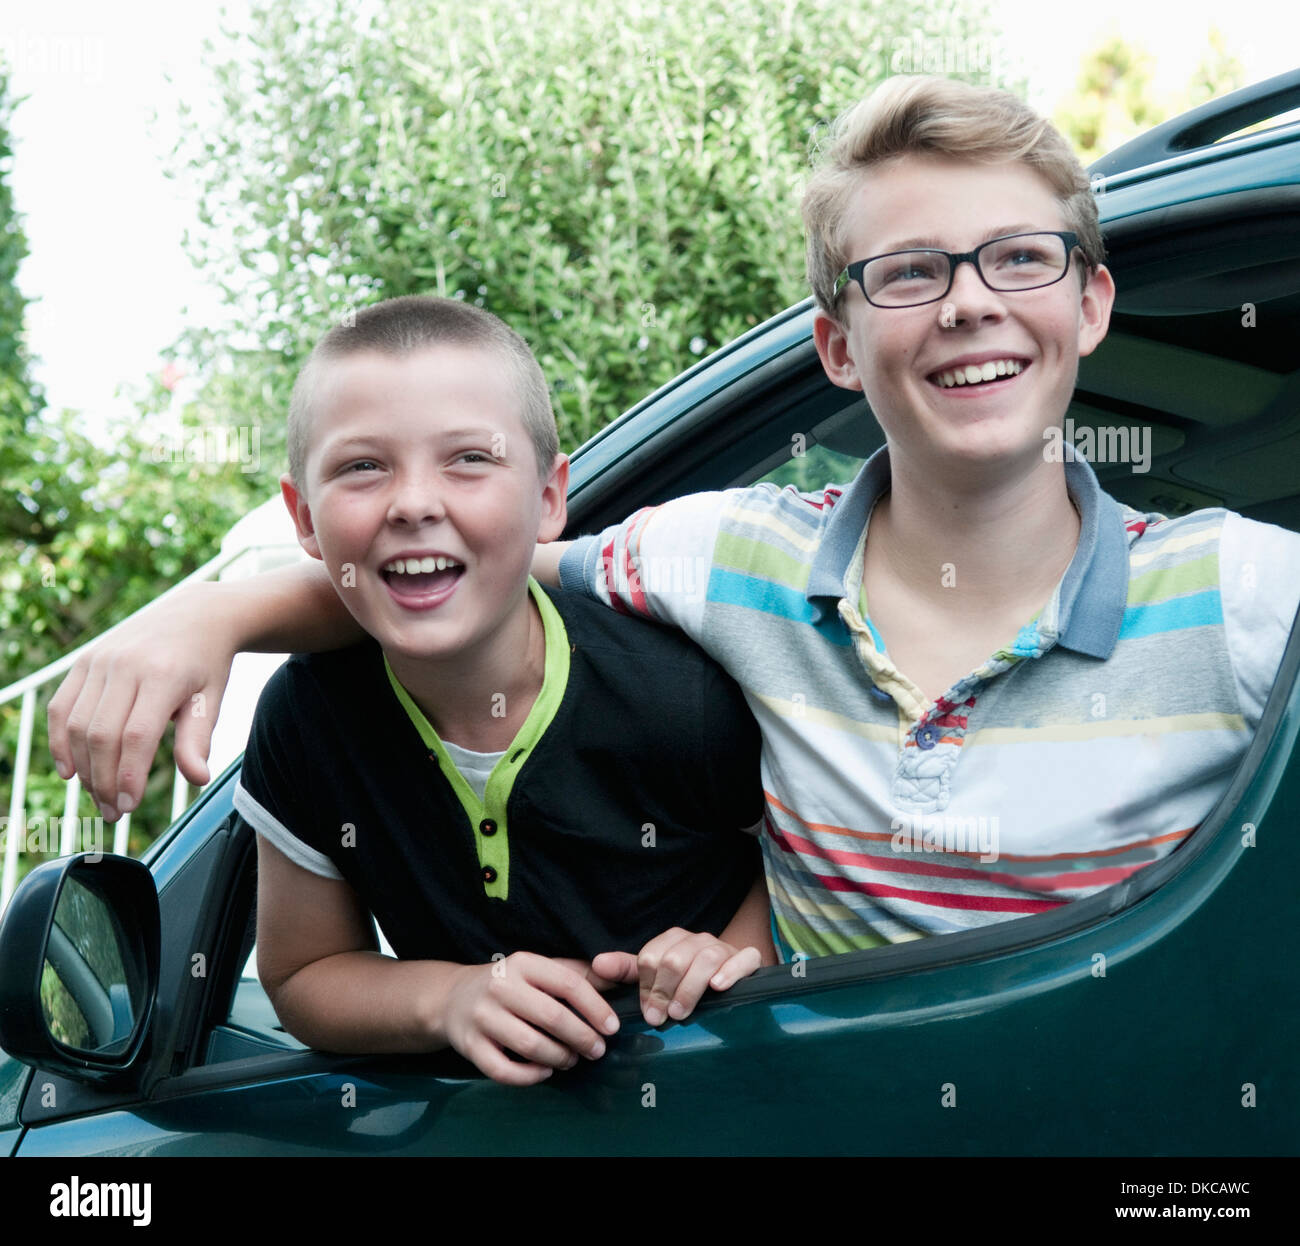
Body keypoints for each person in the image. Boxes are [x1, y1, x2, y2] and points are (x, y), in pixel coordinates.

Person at [50, 77, 1300, 965]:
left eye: (1017, 258)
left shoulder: (1242, 598)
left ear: (1088, 305)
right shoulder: (732, 559)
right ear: (834, 345)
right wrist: (207, 615)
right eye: (907, 272)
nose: (968, 303)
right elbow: (457, 574)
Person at [142, 295, 775, 1085]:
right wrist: (450, 998)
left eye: (469, 459)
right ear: (303, 518)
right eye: (363, 466)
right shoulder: (307, 719)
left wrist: (738, 951)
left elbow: (797, 874)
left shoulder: (682, 689)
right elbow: (304, 976)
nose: (413, 503)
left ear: (549, 498)